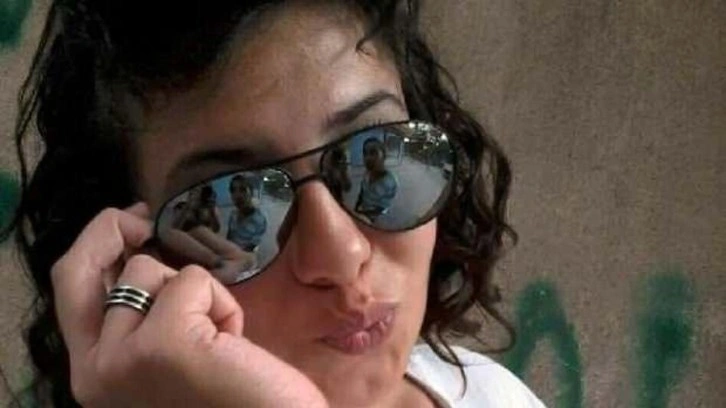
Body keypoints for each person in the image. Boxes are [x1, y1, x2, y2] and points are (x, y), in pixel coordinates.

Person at [3, 0, 545, 406]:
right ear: (131, 263)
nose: (341, 255)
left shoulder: (489, 393)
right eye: (235, 209)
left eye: (378, 153)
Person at [355, 137, 399, 222]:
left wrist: (361, 215)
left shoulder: (389, 182)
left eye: (373, 153)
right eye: (365, 153)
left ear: (384, 156)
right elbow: (362, 193)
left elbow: (382, 208)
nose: (368, 158)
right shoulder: (367, 174)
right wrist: (356, 209)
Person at [227, 175, 268, 252]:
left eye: (243, 190)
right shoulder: (233, 214)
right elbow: (229, 237)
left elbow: (252, 247)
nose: (237, 195)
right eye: (233, 190)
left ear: (251, 193)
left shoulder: (260, 220)